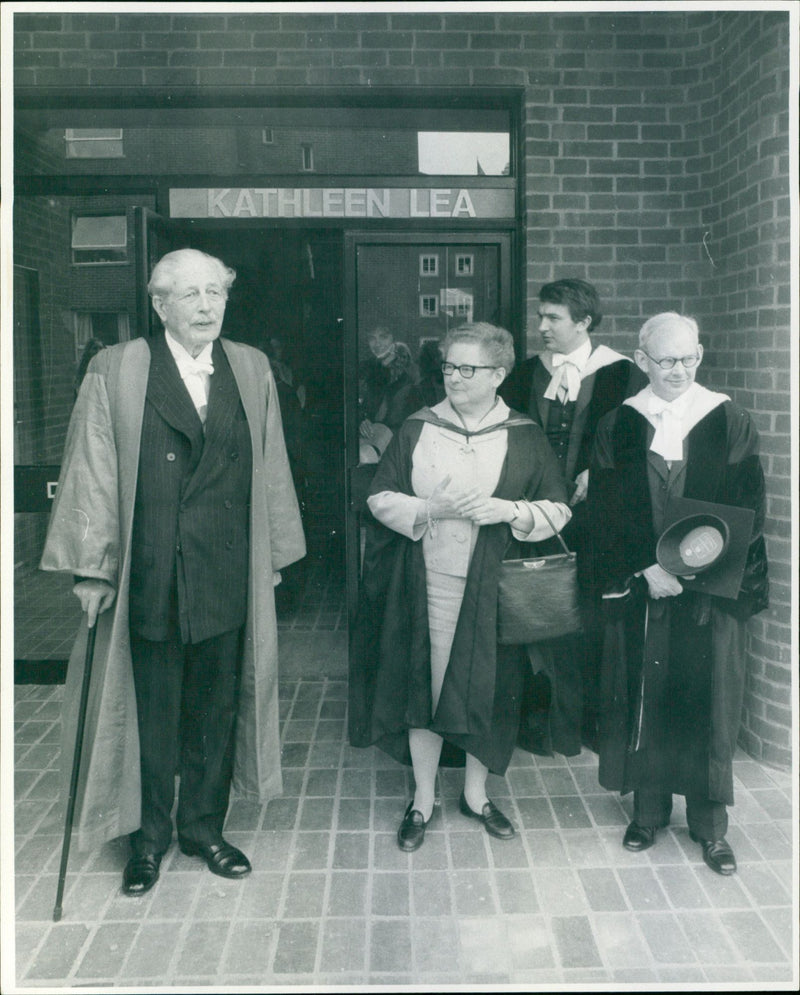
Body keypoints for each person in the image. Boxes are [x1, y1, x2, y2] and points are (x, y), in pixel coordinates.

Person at [41, 248, 306, 895]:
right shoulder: (117, 369)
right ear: (159, 304)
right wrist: (94, 568)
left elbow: (269, 463)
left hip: (222, 574)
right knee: (152, 712)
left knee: (216, 709)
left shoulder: (250, 367)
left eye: (215, 291)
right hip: (153, 573)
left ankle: (203, 828)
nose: (207, 306)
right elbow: (94, 469)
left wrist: (269, 555)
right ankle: (149, 839)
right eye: (190, 294)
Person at [349, 322, 572, 851]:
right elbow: (380, 498)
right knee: (422, 686)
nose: (453, 377)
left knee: (488, 691)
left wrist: (509, 511)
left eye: (467, 369)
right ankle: (422, 798)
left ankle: (476, 794)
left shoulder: (524, 433)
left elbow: (559, 507)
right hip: (427, 583)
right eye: (449, 366)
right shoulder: (416, 428)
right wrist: (429, 507)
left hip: (493, 589)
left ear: (499, 373)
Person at [586, 312, 768, 876]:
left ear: (700, 354)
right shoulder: (619, 423)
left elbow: (750, 510)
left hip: (710, 594)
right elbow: (603, 514)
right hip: (645, 587)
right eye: (666, 360)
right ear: (642, 361)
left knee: (709, 700)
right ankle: (647, 814)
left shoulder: (728, 418)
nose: (679, 370)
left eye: (689, 357)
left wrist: (696, 571)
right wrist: (644, 567)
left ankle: (711, 828)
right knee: (645, 692)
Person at [499, 278, 646, 753]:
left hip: (596, 519)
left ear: (583, 322)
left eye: (553, 318)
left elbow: (635, 449)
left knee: (591, 615)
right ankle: (541, 725)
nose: (541, 326)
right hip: (536, 514)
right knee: (537, 612)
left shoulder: (622, 375)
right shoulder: (523, 374)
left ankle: (590, 725)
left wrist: (597, 476)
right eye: (540, 316)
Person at [358, 326, 424, 464]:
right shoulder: (363, 369)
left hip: (397, 440)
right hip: (367, 436)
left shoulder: (411, 372)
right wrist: (360, 419)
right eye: (372, 338)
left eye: (383, 336)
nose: (377, 344)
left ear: (394, 338)